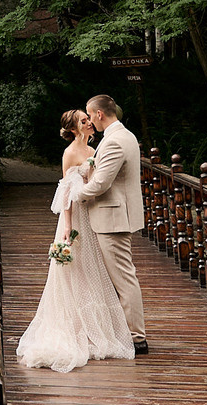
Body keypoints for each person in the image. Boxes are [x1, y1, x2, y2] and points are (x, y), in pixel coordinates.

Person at [16, 109, 136, 372]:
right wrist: (68, 226)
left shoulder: (94, 148)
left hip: (93, 213)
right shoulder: (70, 153)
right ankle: (76, 326)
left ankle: (98, 327)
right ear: (73, 129)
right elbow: (67, 190)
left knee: (94, 268)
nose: (89, 122)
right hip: (76, 216)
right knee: (76, 268)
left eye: (88, 119)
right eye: (84, 121)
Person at [72, 94, 149, 355]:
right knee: (122, 276)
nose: (90, 120)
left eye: (89, 115)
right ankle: (125, 331)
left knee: (124, 279)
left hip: (113, 219)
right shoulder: (125, 136)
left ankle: (137, 338)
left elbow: (101, 183)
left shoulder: (115, 141)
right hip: (115, 216)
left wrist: (75, 195)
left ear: (99, 114)